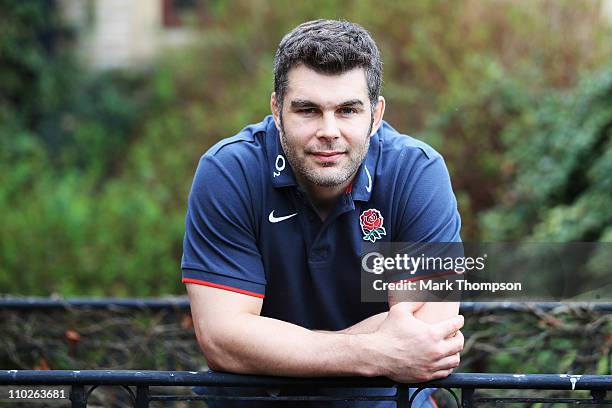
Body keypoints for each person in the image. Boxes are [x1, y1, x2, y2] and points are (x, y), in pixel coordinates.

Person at [181, 19, 464, 407]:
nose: (329, 130)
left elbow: (430, 330)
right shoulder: (230, 172)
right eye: (308, 110)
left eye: (348, 110)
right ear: (277, 110)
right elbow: (223, 340)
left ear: (376, 115)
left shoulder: (417, 173)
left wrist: (274, 351)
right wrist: (376, 351)